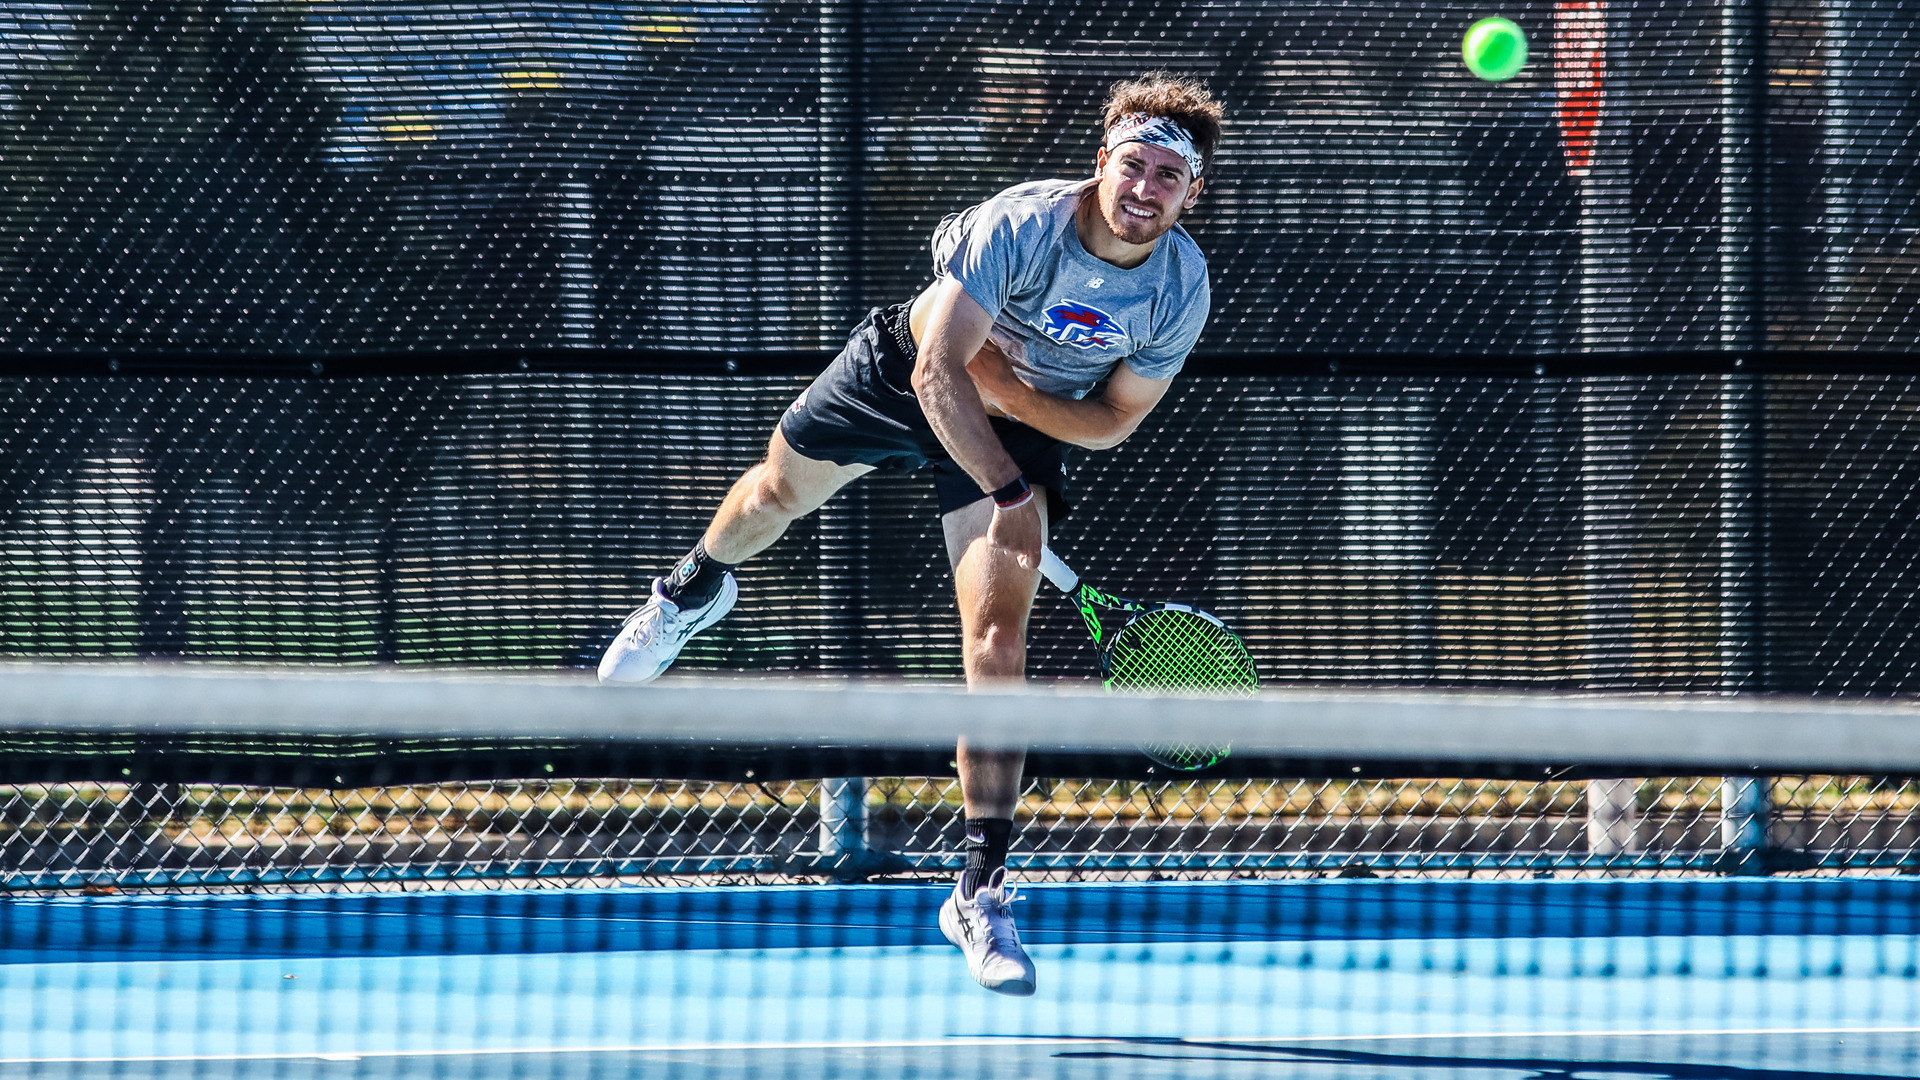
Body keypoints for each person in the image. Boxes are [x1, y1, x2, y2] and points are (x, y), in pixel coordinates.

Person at [599, 72, 1224, 996]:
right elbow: (939, 369)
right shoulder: (1020, 225)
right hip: (902, 375)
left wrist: (1011, 411)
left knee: (996, 647)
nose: (1145, 188)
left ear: (1191, 193)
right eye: (1133, 164)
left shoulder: (1180, 288)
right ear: (1101, 164)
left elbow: (1111, 422)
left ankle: (980, 886)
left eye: (1169, 177)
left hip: (1017, 422)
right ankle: (692, 589)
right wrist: (1009, 486)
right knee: (773, 497)